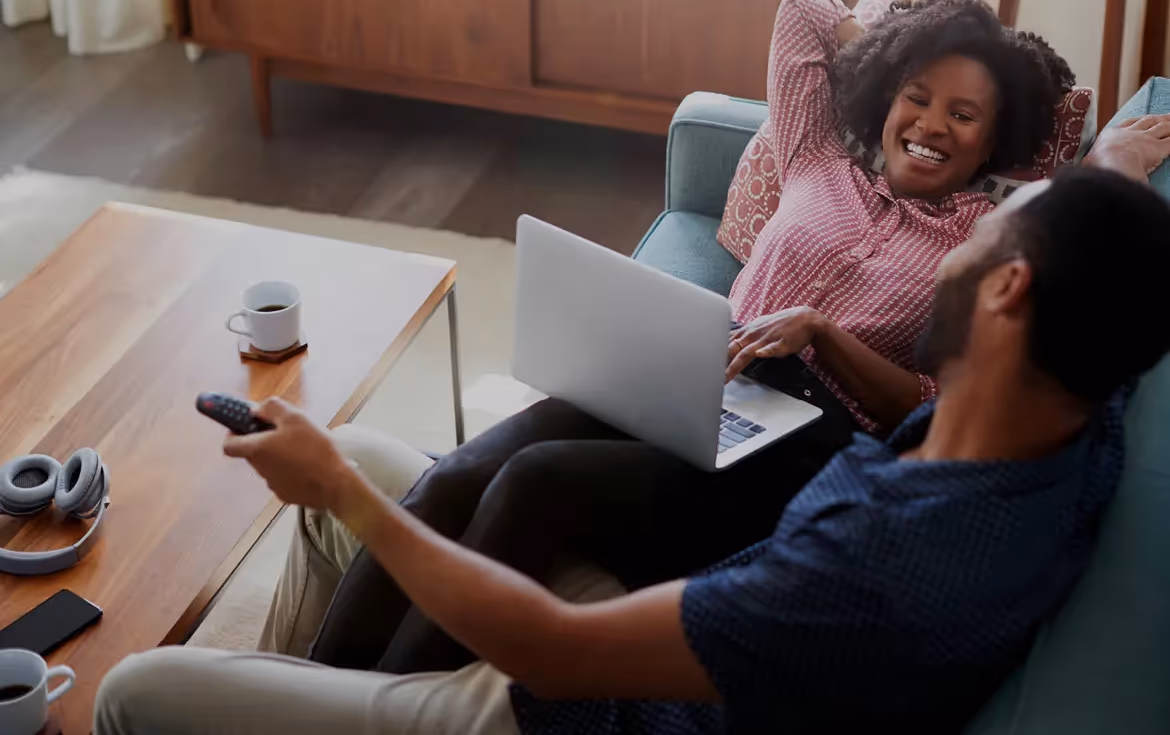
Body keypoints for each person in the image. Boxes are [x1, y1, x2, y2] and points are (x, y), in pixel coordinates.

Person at [94, 166, 1170, 735]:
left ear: (1010, 291)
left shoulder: (881, 568)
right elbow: (1112, 265)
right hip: (683, 644)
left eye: (981, 238)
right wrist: (1109, 169)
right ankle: (290, 691)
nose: (957, 251)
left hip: (578, 712)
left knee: (141, 690)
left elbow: (559, 652)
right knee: (374, 459)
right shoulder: (1076, 410)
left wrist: (340, 491)